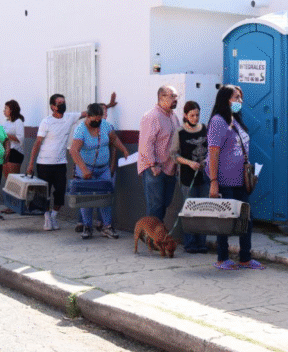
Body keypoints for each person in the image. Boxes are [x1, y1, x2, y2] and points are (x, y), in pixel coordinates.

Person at [208, 85, 265, 270]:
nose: (240, 102)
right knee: (225, 221)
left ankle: (245, 258)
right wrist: (214, 182)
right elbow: (213, 152)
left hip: (240, 180)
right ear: (225, 99)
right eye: (236, 98)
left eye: (240, 98)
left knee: (246, 219)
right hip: (224, 180)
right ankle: (222, 258)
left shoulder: (236, 120)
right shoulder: (218, 121)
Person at [26, 94, 88, 231]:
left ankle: (54, 215)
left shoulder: (69, 117)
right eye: (59, 103)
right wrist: (30, 164)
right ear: (53, 107)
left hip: (60, 163)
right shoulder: (46, 122)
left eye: (64, 102)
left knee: (60, 191)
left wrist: (107, 105)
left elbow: (88, 112)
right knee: (44, 193)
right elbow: (37, 143)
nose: (62, 104)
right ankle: (47, 218)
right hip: (44, 164)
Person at [70, 103, 130, 239]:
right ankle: (87, 227)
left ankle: (107, 227)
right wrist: (84, 169)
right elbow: (74, 150)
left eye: (100, 119)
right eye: (95, 119)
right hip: (86, 168)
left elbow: (114, 138)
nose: (97, 122)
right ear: (88, 116)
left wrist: (124, 149)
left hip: (103, 169)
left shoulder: (105, 125)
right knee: (87, 199)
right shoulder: (81, 130)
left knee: (105, 197)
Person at [137, 86, 181, 224]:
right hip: (155, 168)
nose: (175, 99)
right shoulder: (151, 116)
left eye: (176, 96)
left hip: (170, 168)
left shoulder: (174, 116)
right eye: (172, 96)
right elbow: (146, 143)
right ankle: (153, 238)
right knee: (155, 206)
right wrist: (153, 164)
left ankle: (156, 234)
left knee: (165, 203)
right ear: (161, 97)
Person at [172, 100, 209, 254]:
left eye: (197, 115)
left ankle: (202, 243)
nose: (195, 118)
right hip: (187, 177)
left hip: (204, 176)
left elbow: (211, 149)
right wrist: (189, 163)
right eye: (192, 115)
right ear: (185, 115)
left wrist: (205, 161)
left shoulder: (205, 129)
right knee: (190, 210)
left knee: (204, 209)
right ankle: (190, 243)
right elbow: (174, 154)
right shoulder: (179, 132)